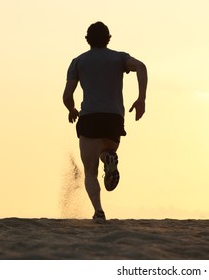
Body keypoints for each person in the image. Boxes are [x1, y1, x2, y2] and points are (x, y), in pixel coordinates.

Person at [62, 22, 148, 223]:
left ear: (87, 40)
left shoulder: (78, 62)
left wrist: (72, 110)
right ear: (109, 38)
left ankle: (99, 211)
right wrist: (141, 98)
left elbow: (67, 96)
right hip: (114, 119)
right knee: (106, 150)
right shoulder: (120, 58)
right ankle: (109, 157)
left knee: (90, 172)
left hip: (90, 118)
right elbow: (141, 67)